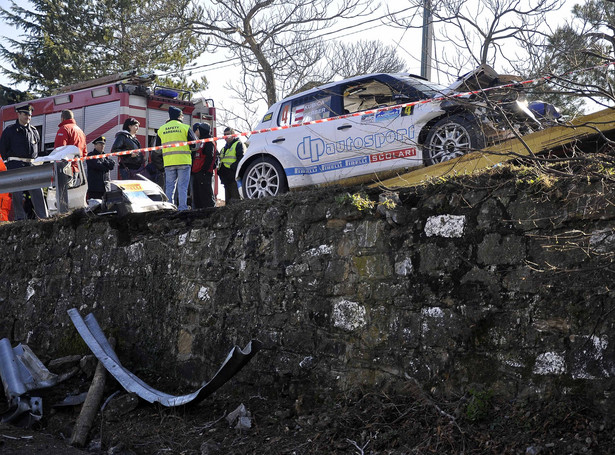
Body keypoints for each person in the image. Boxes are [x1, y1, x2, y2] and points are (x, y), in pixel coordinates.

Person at [0, 104, 49, 220]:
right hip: (15, 164)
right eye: (25, 114)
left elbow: (37, 148)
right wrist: (9, 164)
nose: (28, 117)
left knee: (37, 190)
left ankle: (43, 217)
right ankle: (20, 218)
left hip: (31, 164)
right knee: (17, 192)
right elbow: (3, 148)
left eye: (30, 115)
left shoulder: (33, 131)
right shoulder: (10, 130)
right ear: (19, 114)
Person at [157, 106, 196, 211]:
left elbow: (157, 148)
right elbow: (194, 145)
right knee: (182, 186)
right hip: (183, 161)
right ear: (179, 116)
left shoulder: (161, 129)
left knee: (170, 186)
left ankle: (169, 207)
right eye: (182, 115)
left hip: (169, 162)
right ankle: (182, 207)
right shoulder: (185, 127)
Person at [191, 123, 217, 209]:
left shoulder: (208, 141)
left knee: (206, 196)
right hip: (197, 172)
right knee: (198, 196)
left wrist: (204, 171)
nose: (197, 131)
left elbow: (210, 156)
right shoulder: (201, 141)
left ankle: (210, 213)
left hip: (204, 173)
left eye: (199, 130)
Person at [218, 127, 244, 203]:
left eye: (228, 134)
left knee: (235, 201)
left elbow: (240, 159)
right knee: (228, 202)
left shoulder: (238, 144)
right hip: (225, 178)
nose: (226, 136)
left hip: (234, 177)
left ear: (233, 135)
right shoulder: (223, 149)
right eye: (224, 135)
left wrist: (233, 168)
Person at [86, 136, 115, 200]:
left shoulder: (105, 156)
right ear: (95, 145)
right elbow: (99, 166)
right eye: (100, 144)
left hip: (106, 187)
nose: (102, 146)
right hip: (95, 188)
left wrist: (105, 164)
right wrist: (106, 165)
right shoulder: (91, 155)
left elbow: (112, 166)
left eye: (103, 145)